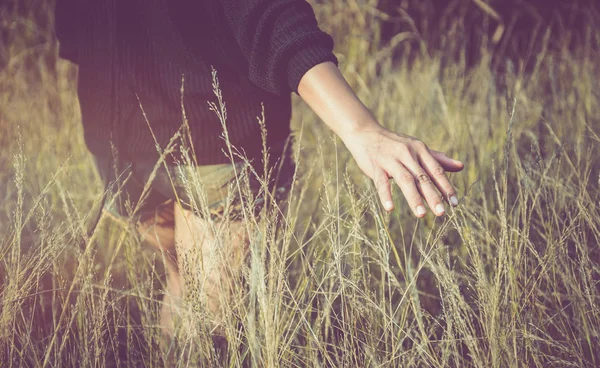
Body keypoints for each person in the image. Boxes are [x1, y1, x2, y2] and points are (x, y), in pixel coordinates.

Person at [54, 0, 464, 339]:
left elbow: (75, 30)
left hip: (129, 139)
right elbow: (269, 15)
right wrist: (361, 128)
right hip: (200, 140)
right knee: (202, 317)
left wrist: (360, 128)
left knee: (187, 294)